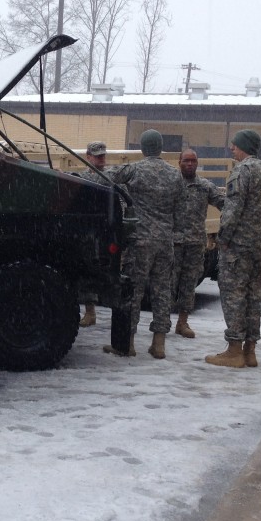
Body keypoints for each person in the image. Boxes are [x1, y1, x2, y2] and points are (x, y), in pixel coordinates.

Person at [205, 129, 261, 368]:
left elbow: (232, 208)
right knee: (253, 297)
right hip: (258, 247)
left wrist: (224, 238)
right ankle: (250, 350)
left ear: (244, 147)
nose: (231, 148)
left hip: (238, 248)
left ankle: (234, 350)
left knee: (234, 296)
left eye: (235, 146)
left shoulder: (243, 171)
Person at [105, 129, 183, 359]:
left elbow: (106, 176)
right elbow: (180, 206)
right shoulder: (174, 175)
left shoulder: (135, 169)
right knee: (162, 291)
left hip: (140, 241)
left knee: (135, 291)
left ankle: (127, 343)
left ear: (142, 147)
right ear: (160, 148)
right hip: (164, 241)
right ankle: (159, 344)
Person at [171, 149, 225, 338]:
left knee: (189, 284)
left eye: (193, 161)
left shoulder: (204, 186)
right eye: (186, 160)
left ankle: (183, 322)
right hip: (173, 244)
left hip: (195, 245)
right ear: (179, 162)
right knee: (168, 284)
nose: (190, 164)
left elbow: (223, 203)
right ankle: (162, 323)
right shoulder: (171, 184)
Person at [78, 141, 108, 327]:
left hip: (105, 231)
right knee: (87, 269)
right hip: (87, 231)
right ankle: (90, 311)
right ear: (88, 157)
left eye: (103, 155)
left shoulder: (111, 178)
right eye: (97, 156)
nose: (101, 159)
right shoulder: (80, 178)